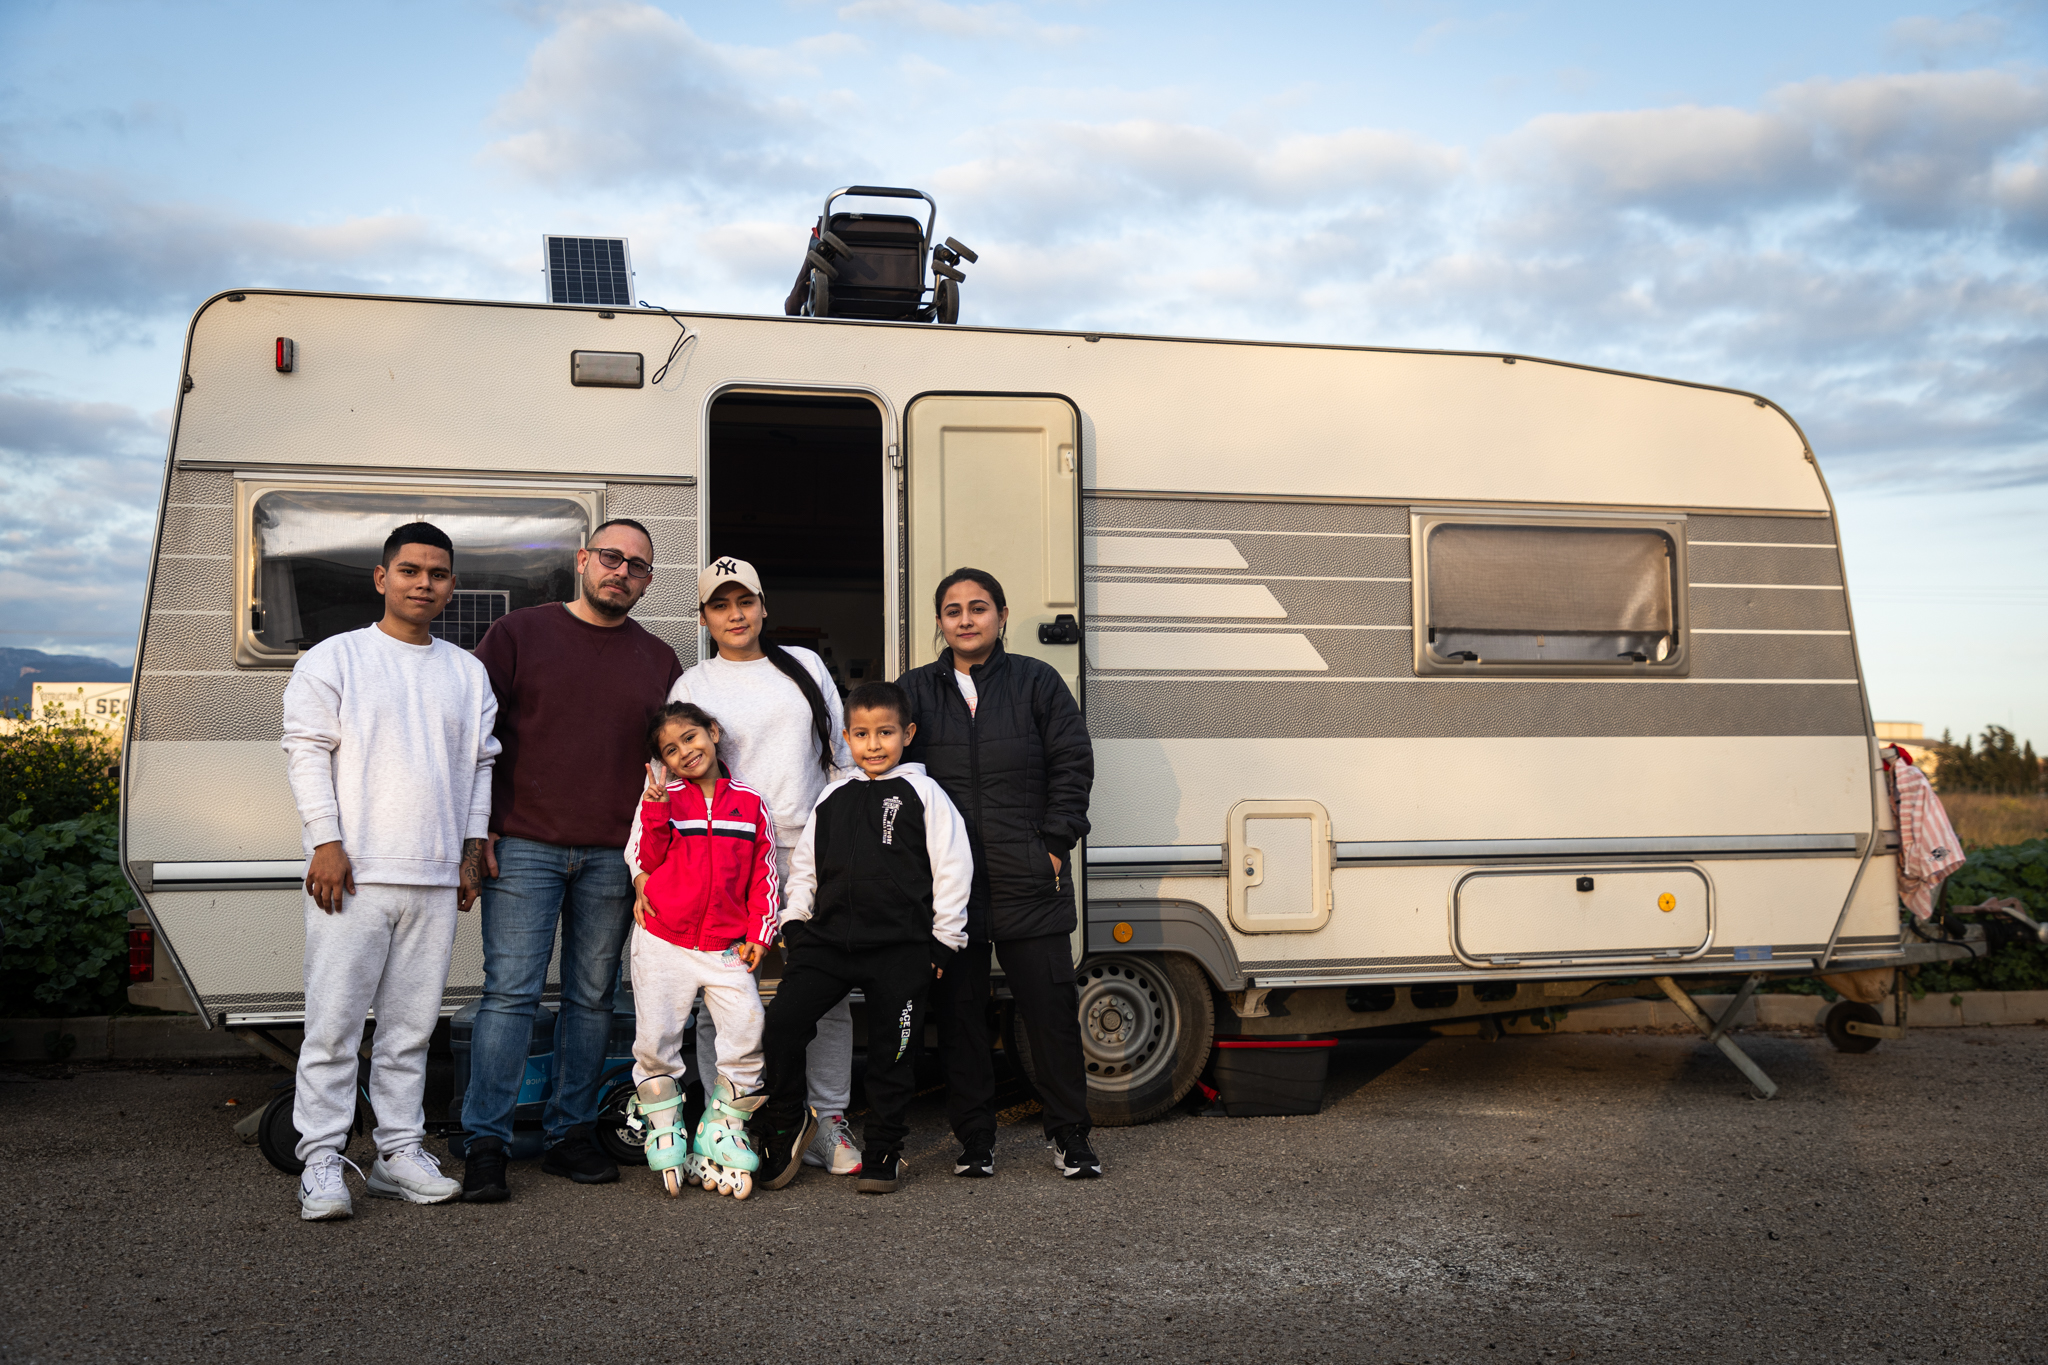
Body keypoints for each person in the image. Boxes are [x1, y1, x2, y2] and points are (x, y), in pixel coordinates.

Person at [459, 518, 683, 1202]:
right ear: (583, 559)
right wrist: (477, 831)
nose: (622, 571)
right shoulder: (519, 634)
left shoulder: (659, 660)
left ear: (646, 582)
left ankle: (570, 1134)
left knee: (592, 999)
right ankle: (485, 1143)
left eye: (637, 566)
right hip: (524, 843)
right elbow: (473, 733)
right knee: (511, 996)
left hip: (617, 855)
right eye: (611, 557)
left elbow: (669, 761)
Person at [281, 522, 500, 1221]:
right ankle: (320, 1159)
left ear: (452, 586)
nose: (423, 582)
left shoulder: (466, 671)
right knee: (334, 1024)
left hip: (434, 878)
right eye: (409, 570)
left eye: (437, 573)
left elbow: (479, 766)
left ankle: (398, 1152)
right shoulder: (335, 658)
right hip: (353, 873)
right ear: (382, 578)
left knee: (409, 1030)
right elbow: (307, 750)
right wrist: (325, 840)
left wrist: (470, 854)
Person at [631, 556, 863, 1176]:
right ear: (704, 616)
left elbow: (839, 758)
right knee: (721, 993)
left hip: (807, 849)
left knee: (823, 991)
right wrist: (641, 870)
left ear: (763, 605)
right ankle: (721, 1119)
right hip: (725, 858)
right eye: (719, 605)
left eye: (745, 602)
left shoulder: (804, 667)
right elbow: (660, 782)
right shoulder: (694, 685)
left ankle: (827, 1117)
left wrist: (845, 841)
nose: (735, 615)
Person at [897, 567, 1099, 1179]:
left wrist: (1054, 844)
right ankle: (976, 1143)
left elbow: (1073, 762)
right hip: (949, 890)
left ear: (1002, 616)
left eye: (978, 607)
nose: (966, 618)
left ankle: (1070, 1138)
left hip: (1027, 878)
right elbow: (888, 776)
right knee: (959, 1018)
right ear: (939, 622)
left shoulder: (1037, 683)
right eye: (953, 609)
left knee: (1051, 1016)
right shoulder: (915, 691)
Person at [749, 680, 972, 1195]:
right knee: (782, 1024)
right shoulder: (833, 795)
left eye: (886, 733)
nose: (874, 745)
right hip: (827, 944)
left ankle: (884, 1150)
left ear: (907, 734)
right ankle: (787, 1122)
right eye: (863, 734)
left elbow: (954, 868)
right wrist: (796, 922)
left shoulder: (925, 794)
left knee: (893, 1053)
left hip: (901, 949)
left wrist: (944, 941)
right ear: (847, 738)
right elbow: (805, 866)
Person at [626, 701, 780, 1200]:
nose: (685, 752)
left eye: (691, 738)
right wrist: (654, 808)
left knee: (747, 1026)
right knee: (656, 1036)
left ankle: (723, 1125)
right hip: (663, 939)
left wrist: (761, 931)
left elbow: (765, 872)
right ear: (663, 762)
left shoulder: (751, 803)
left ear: (713, 733)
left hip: (725, 944)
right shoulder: (664, 798)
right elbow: (647, 860)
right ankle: (664, 1124)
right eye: (670, 750)